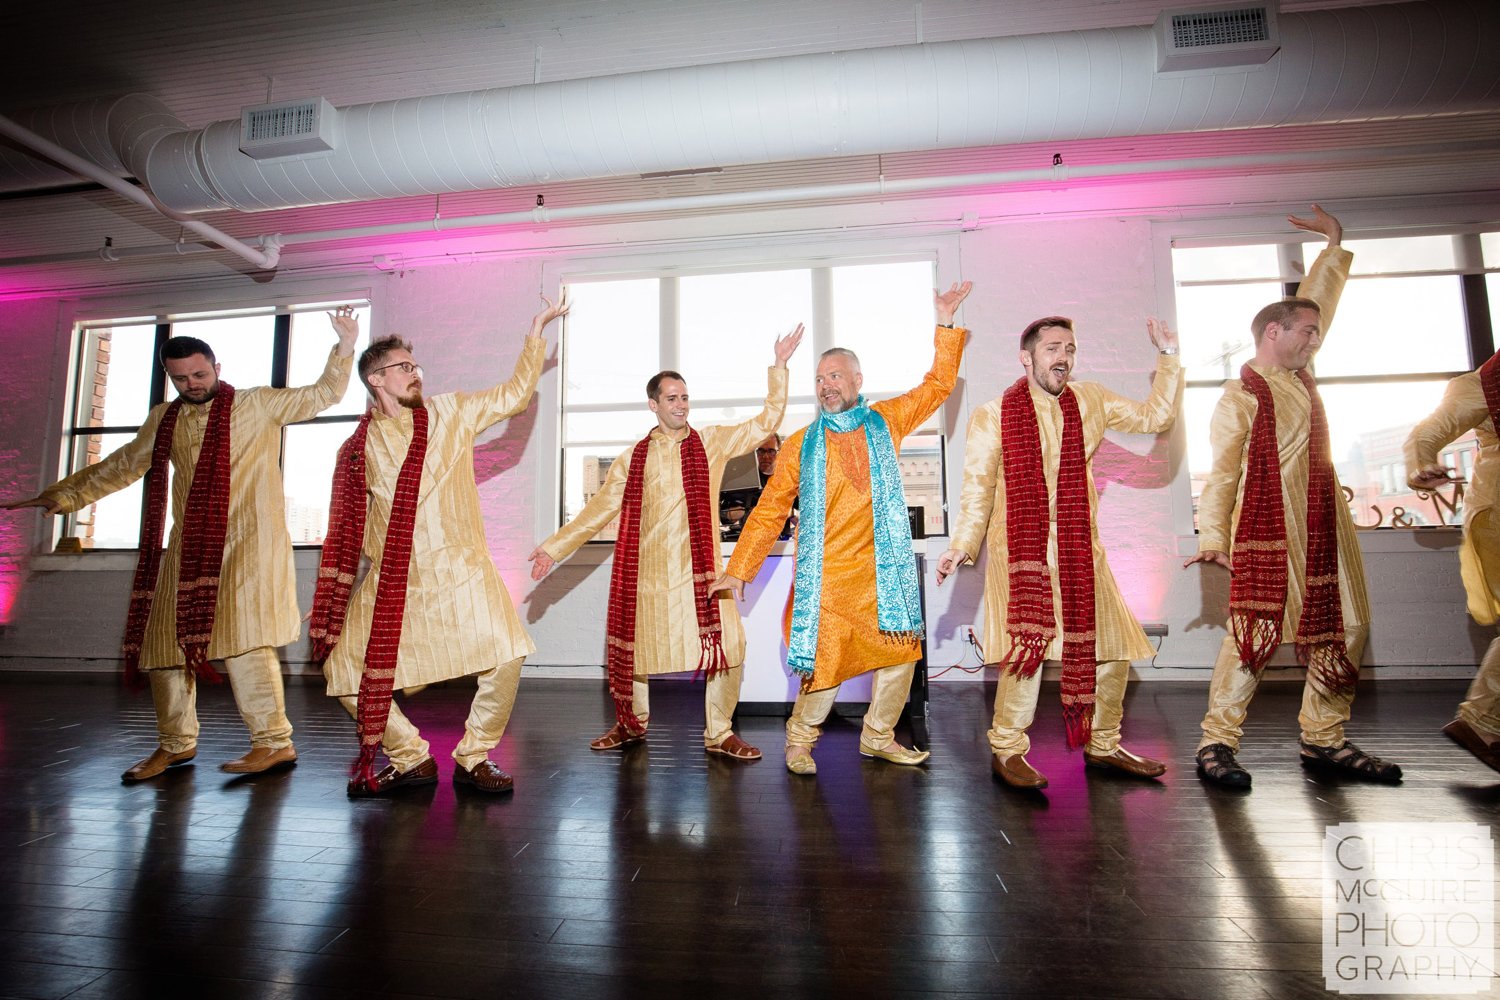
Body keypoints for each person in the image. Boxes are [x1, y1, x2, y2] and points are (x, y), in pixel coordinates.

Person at [3, 308, 359, 781]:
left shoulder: (258, 404)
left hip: (251, 544)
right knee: (163, 645)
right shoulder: (164, 420)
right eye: (181, 378)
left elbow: (323, 394)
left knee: (245, 643)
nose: (192, 383)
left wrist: (345, 345)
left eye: (199, 374)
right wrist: (64, 495)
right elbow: (124, 463)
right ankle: (175, 744)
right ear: (169, 379)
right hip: (188, 547)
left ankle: (274, 744)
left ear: (217, 368)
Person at [310, 296, 567, 796]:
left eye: (415, 365)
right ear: (375, 380)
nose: (414, 373)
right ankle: (409, 757)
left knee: (507, 654)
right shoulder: (358, 448)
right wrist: (333, 592)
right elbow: (348, 527)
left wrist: (535, 333)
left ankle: (473, 756)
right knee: (342, 671)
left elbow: (514, 396)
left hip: (462, 569)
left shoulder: (450, 412)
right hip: (394, 578)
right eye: (402, 367)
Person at [713, 282, 972, 775]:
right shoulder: (800, 444)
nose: (826, 384)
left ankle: (878, 736)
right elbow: (770, 509)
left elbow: (938, 386)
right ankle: (799, 740)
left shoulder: (887, 420)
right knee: (824, 666)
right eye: (819, 378)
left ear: (857, 379)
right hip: (829, 580)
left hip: (882, 577)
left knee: (901, 656)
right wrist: (740, 569)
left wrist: (944, 323)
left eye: (835, 375)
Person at [1185, 205, 1402, 787]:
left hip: (1328, 529)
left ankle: (1324, 739)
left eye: (1317, 333)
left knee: (1349, 626)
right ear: (1272, 333)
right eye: (1306, 332)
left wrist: (1333, 245)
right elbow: (1223, 475)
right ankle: (1216, 743)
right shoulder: (1241, 397)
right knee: (1252, 639)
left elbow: (1315, 304)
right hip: (1270, 533)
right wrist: (1211, 536)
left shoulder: (1303, 376)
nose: (1315, 338)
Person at [528, 325, 804, 760]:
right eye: (672, 398)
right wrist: (553, 548)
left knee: (730, 648)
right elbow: (596, 512)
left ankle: (720, 732)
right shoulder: (633, 458)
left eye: (685, 397)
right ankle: (631, 724)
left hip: (704, 574)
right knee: (636, 652)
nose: (681, 404)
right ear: (653, 404)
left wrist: (780, 366)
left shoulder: (710, 442)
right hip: (649, 574)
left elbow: (766, 421)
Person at [936, 314, 1182, 789]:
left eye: (1069, 348)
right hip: (1021, 550)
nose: (1063, 357)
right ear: (1026, 357)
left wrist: (1168, 358)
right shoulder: (993, 414)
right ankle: (1008, 748)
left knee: (1111, 650)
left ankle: (1104, 744)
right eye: (1052, 348)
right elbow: (978, 488)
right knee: (1026, 652)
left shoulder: (1091, 400)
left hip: (1079, 548)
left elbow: (1157, 417)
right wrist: (963, 545)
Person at [1404, 362, 1500, 774]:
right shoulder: (1489, 380)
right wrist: (1422, 464)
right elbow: (1425, 433)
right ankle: (1481, 721)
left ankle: (1483, 721)